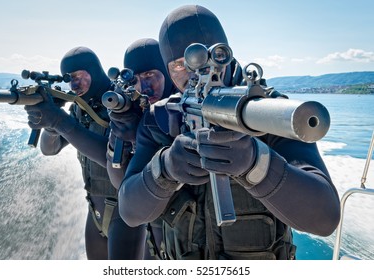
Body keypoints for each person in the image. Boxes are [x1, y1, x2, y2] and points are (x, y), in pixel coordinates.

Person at [117, 5, 341, 260]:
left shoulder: (266, 113)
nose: (194, 73)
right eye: (179, 65)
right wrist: (165, 168)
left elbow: (325, 219)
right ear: (168, 70)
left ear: (226, 55)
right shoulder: (159, 119)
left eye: (210, 58)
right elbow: (129, 211)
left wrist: (257, 164)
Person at [24, 46, 146, 259]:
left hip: (125, 212)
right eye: (70, 78)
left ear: (95, 72)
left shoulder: (118, 104)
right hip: (95, 210)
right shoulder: (80, 107)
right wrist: (51, 121)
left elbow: (110, 156)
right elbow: (49, 149)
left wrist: (58, 120)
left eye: (80, 76)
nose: (75, 84)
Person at [106, 38, 175, 259]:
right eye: (135, 79)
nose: (144, 87)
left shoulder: (184, 106)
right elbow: (119, 183)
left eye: (150, 76)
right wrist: (120, 136)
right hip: (154, 236)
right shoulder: (130, 112)